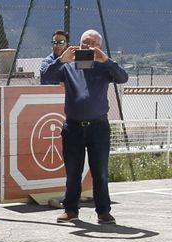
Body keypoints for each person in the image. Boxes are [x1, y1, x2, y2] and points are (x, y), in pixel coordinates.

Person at [39, 28, 129, 226]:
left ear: (100, 47)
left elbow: (123, 78)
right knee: (73, 172)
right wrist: (61, 60)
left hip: (99, 127)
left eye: (93, 44)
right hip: (73, 126)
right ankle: (70, 210)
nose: (88, 47)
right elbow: (46, 77)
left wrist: (106, 60)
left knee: (100, 172)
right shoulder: (68, 66)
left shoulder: (104, 67)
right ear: (78, 45)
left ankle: (103, 211)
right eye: (85, 43)